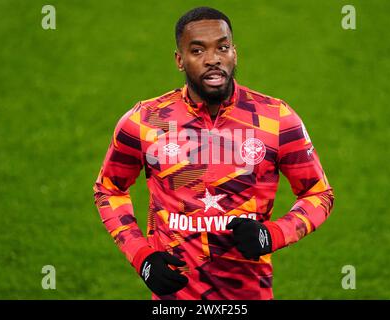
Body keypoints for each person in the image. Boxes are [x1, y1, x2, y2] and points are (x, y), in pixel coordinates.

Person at [93, 6, 334, 300]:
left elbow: (318, 194)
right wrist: (142, 256)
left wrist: (270, 234)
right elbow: (109, 189)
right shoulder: (146, 121)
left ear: (235, 52)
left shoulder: (276, 119)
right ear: (179, 60)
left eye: (222, 47)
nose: (213, 60)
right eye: (198, 51)